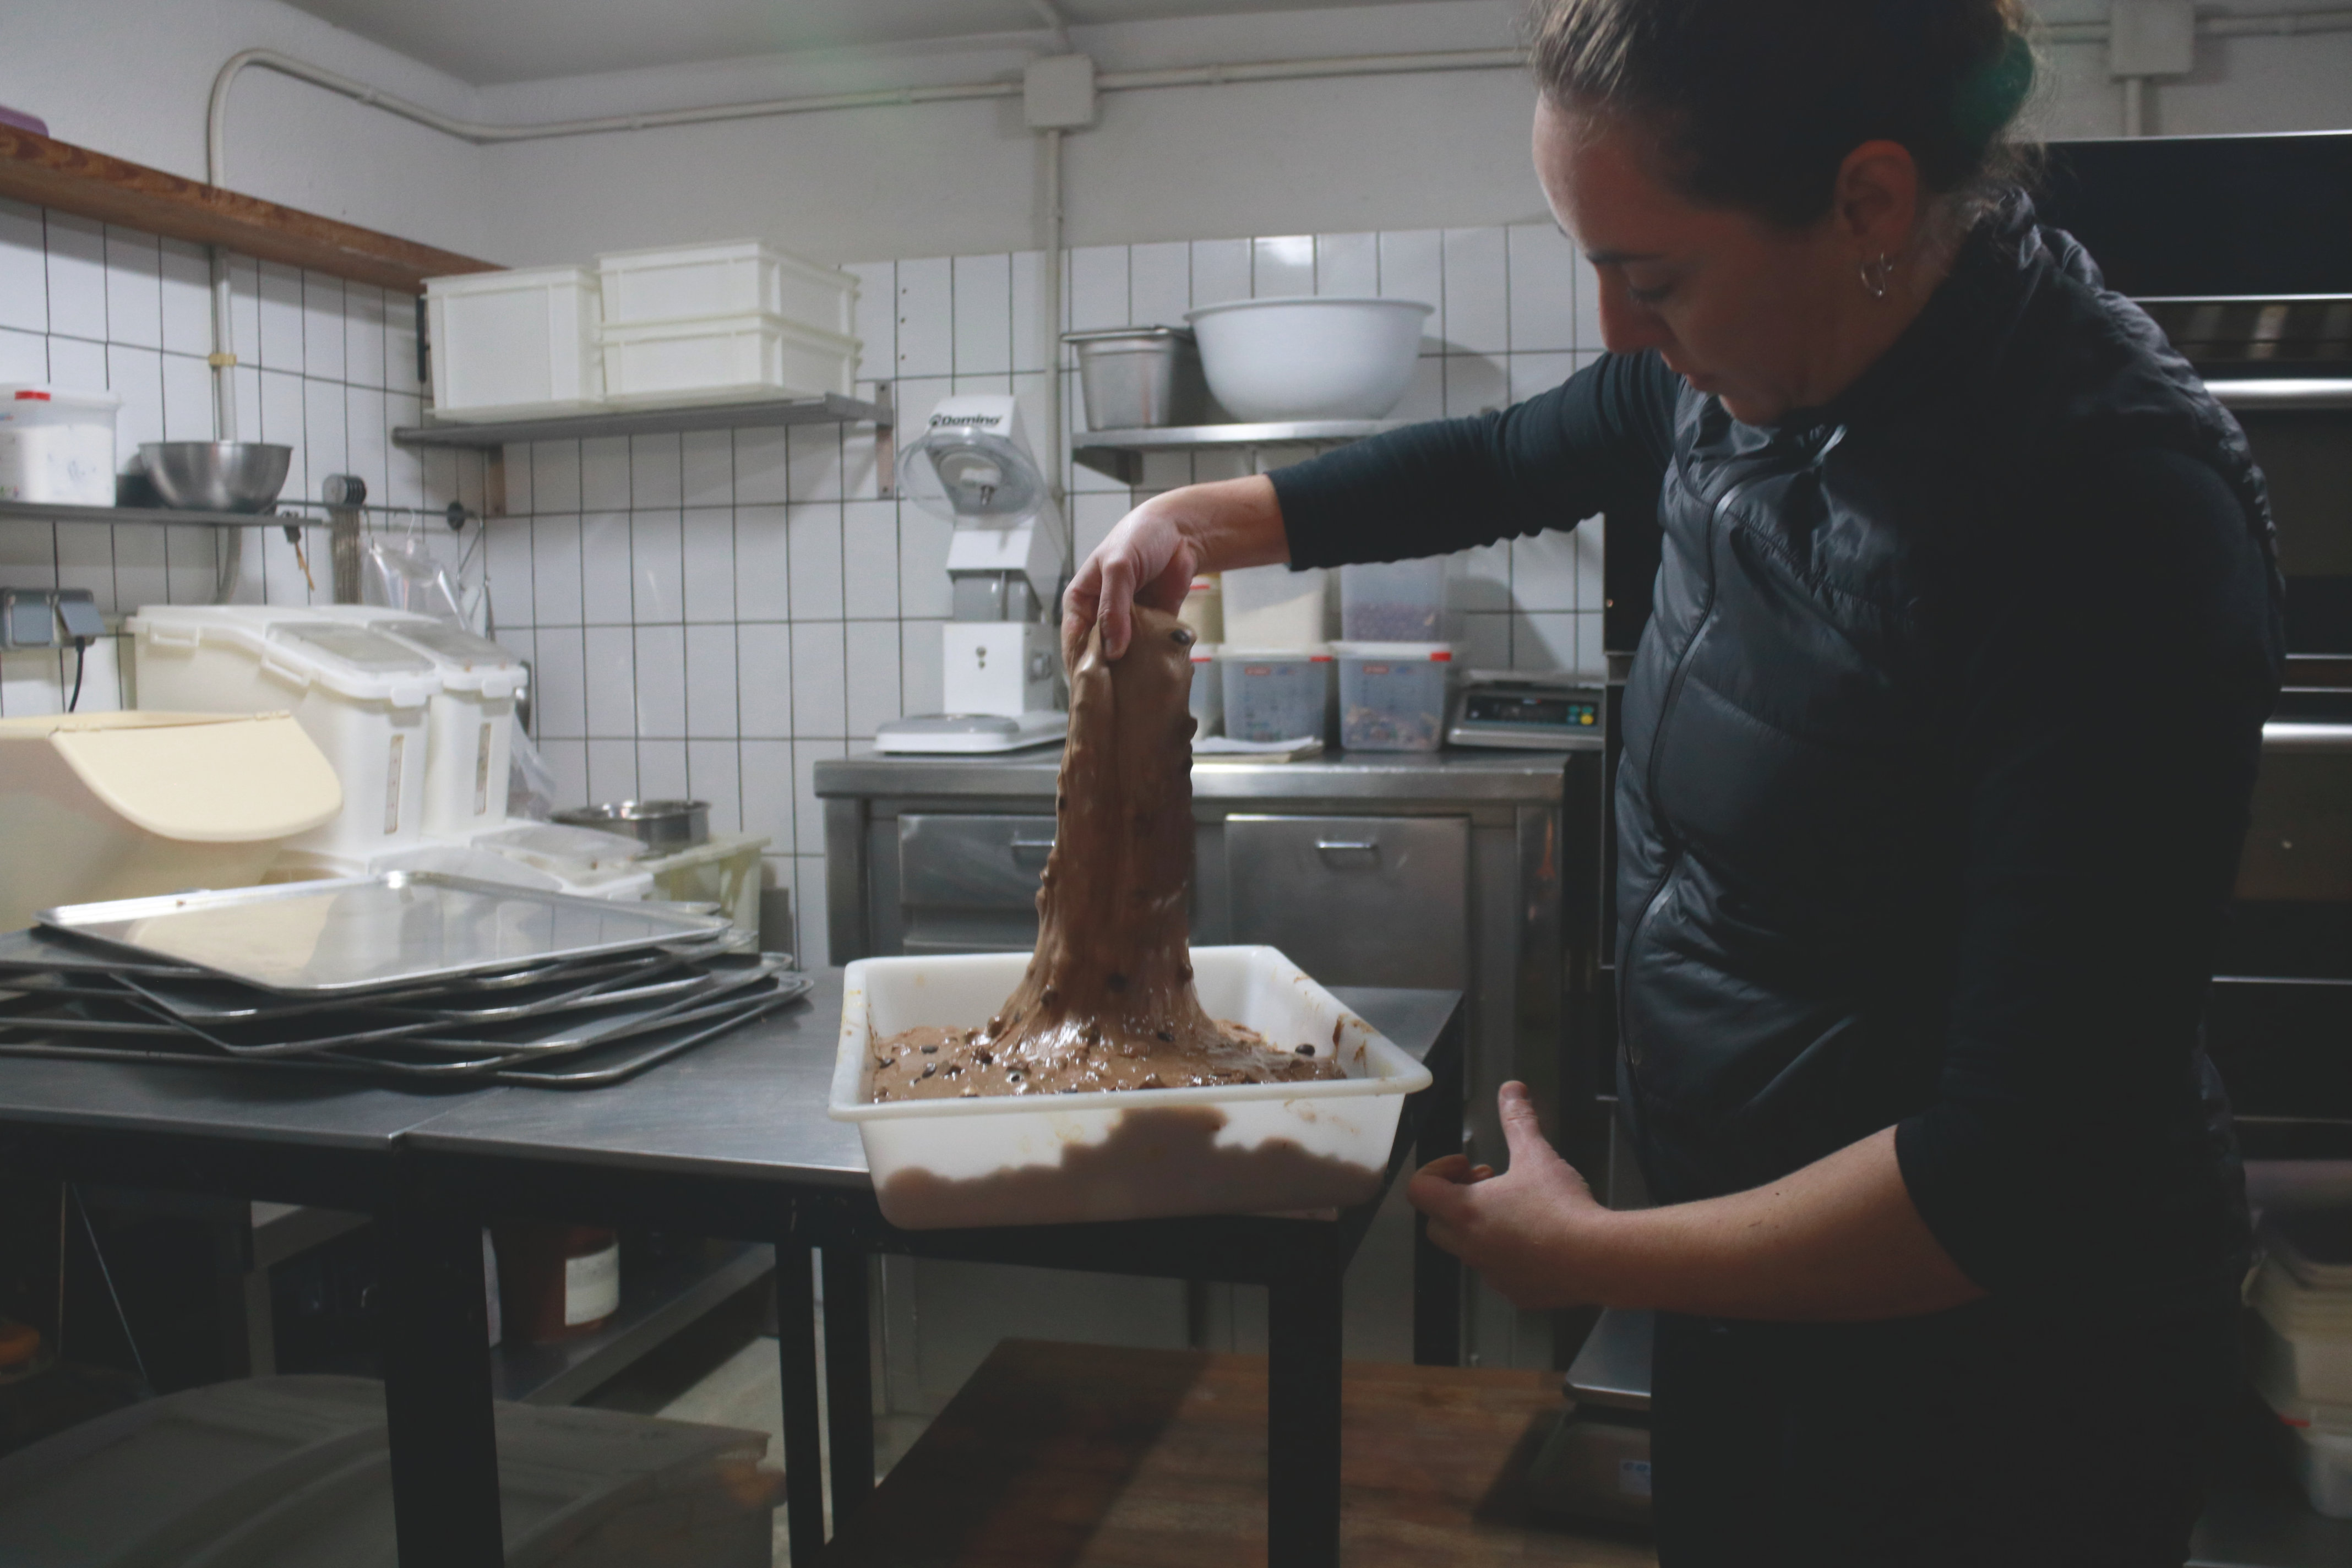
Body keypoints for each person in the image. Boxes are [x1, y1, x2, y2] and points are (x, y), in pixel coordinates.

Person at [1059, 1, 2285, 1562]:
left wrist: (1604, 1257)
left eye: (1653, 275)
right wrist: (1200, 523)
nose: (1620, 328)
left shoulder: (2108, 516)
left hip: (2006, 1385)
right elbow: (1503, 457)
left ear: (1869, 204)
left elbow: (2014, 1176)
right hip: (1753, 1296)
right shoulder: (1739, 369)